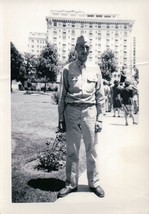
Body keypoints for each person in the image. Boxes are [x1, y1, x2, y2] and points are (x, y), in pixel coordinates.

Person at [58, 35, 105, 198]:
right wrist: (61, 119)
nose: (85, 50)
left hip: (90, 112)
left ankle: (94, 183)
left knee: (91, 149)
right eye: (82, 47)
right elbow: (62, 95)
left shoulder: (96, 68)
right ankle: (71, 184)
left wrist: (99, 118)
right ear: (76, 49)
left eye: (87, 47)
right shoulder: (67, 69)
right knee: (72, 150)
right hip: (71, 111)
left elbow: (100, 95)